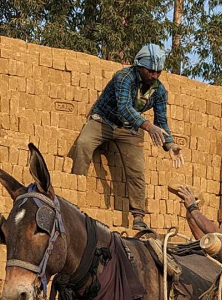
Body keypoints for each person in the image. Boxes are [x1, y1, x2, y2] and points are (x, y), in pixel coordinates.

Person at [71, 43, 185, 231]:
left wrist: (170, 145)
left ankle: (138, 216)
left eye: (158, 72)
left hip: (130, 129)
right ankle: (72, 193)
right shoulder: (124, 77)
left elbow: (161, 121)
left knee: (137, 170)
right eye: (151, 71)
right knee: (83, 144)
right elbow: (124, 108)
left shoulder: (159, 90)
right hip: (104, 121)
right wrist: (148, 127)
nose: (154, 76)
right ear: (139, 66)